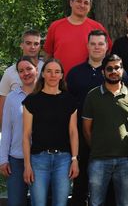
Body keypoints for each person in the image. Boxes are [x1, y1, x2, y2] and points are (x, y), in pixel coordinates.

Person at [67, 29, 120, 206]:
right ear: (87, 46)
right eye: (93, 44)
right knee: (80, 186)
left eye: (101, 44)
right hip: (82, 140)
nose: (97, 47)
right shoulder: (75, 74)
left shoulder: (118, 73)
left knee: (110, 190)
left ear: (107, 46)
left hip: (110, 142)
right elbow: (69, 108)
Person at [82, 54, 128, 206]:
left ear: (122, 70)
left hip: (125, 160)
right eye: (109, 68)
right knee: (95, 202)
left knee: (125, 203)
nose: (113, 71)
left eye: (117, 68)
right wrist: (96, 147)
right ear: (103, 72)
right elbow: (87, 129)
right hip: (98, 159)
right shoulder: (92, 96)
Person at [22, 58, 79, 206]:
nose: (53, 75)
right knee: (38, 203)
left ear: (61, 76)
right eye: (49, 71)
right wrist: (27, 165)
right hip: (38, 160)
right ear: (43, 74)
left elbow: (73, 132)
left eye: (57, 72)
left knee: (60, 203)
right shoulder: (32, 100)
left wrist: (74, 160)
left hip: (64, 160)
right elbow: (26, 135)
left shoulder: (70, 100)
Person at [43, 0, 112, 76]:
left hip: (89, 80)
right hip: (60, 82)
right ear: (71, 2)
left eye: (86, 3)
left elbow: (108, 50)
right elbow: (48, 55)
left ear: (90, 7)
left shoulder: (97, 27)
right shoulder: (55, 26)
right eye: (79, 1)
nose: (82, 5)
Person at [0, 56, 38, 206]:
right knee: (15, 202)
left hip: (40, 158)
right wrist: (3, 159)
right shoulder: (12, 97)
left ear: (36, 70)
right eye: (21, 71)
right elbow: (6, 130)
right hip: (16, 159)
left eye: (29, 68)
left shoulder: (45, 95)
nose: (26, 73)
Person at [0, 29, 43, 125]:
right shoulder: (9, 72)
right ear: (21, 45)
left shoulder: (47, 69)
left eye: (36, 44)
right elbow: (2, 107)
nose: (32, 47)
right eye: (28, 43)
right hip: (17, 128)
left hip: (43, 126)